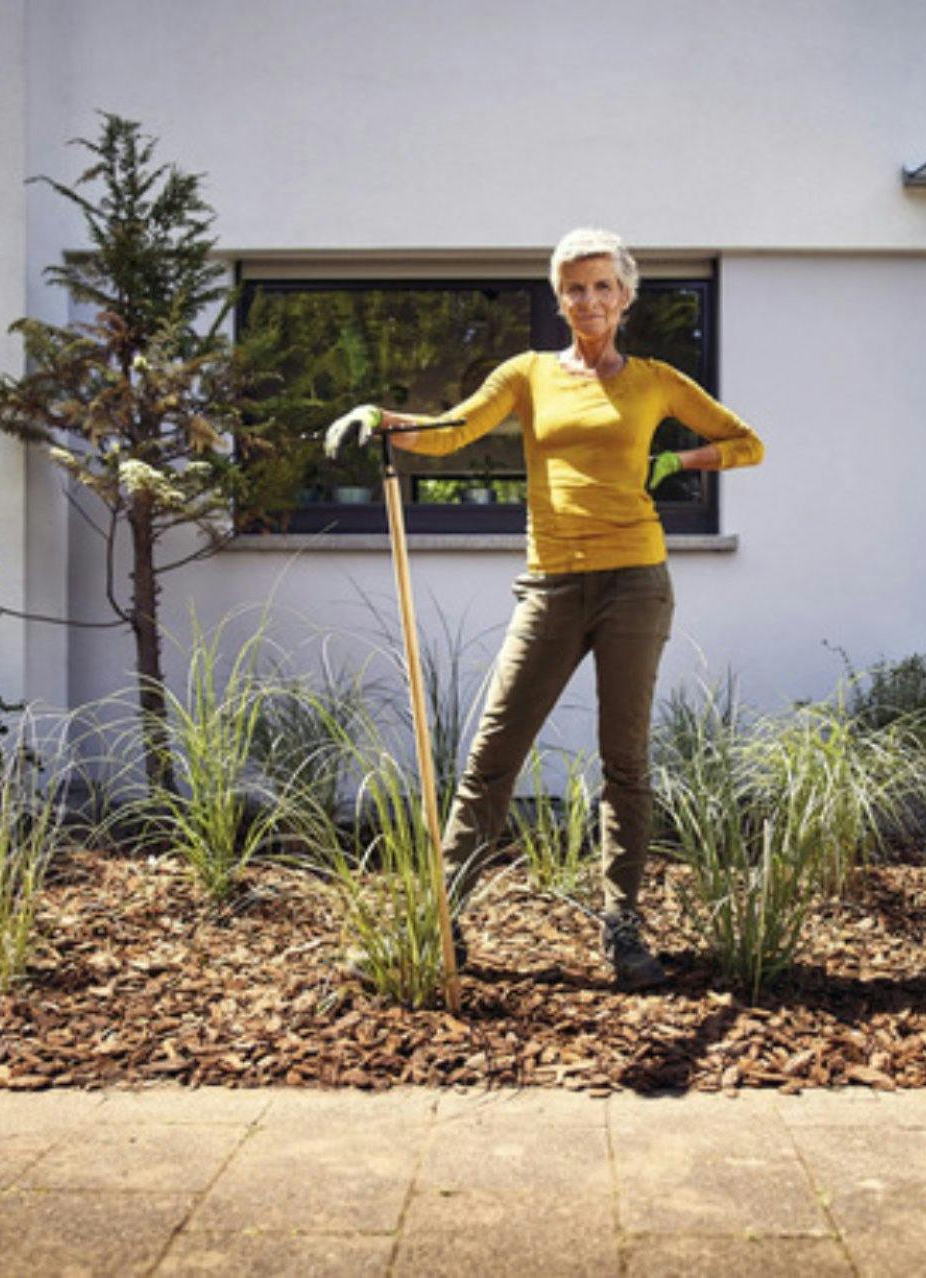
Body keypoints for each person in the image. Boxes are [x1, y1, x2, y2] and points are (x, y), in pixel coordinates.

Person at [325, 227, 764, 988]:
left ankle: (623, 927)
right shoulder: (528, 373)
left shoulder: (656, 381)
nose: (587, 299)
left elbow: (746, 443)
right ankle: (438, 926)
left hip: (636, 581)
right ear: (559, 298)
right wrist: (387, 419)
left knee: (625, 762)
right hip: (552, 584)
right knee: (492, 757)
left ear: (624, 297)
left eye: (602, 286)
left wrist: (676, 459)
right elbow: (453, 430)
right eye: (573, 287)